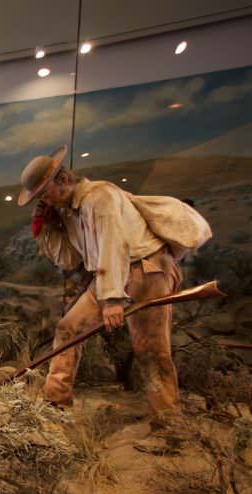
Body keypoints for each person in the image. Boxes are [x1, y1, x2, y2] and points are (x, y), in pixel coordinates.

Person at [19, 144, 190, 418]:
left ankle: (168, 423)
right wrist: (47, 230)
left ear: (62, 180)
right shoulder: (70, 212)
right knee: (69, 328)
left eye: (43, 193)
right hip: (109, 273)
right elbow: (69, 259)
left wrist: (112, 299)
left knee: (150, 348)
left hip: (145, 269)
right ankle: (55, 403)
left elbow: (114, 244)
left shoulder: (100, 197)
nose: (43, 200)